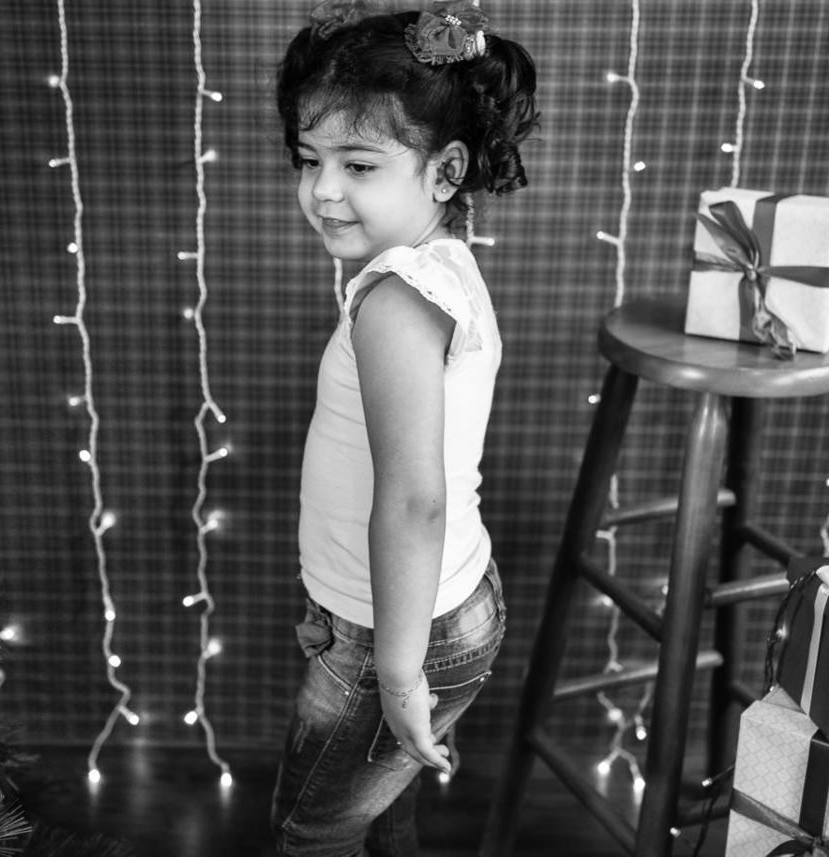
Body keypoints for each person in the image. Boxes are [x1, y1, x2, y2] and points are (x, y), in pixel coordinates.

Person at [271, 2, 538, 854]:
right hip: (434, 602)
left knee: (312, 832)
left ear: (445, 170)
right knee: (383, 810)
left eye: (358, 164)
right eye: (309, 159)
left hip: (390, 630)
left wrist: (394, 670)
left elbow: (415, 499)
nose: (323, 189)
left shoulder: (395, 303)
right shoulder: (440, 264)